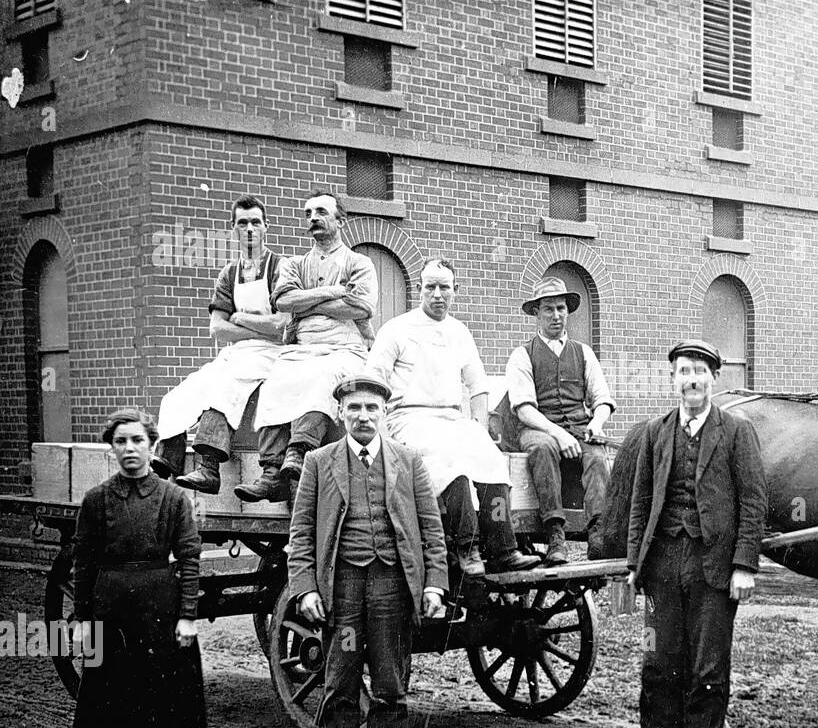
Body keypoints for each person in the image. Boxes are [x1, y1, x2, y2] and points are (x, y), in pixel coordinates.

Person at [287, 374, 449, 728]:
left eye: (371, 408)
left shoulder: (408, 461)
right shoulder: (319, 462)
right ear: (340, 412)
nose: (363, 416)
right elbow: (301, 533)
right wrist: (305, 588)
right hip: (343, 590)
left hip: (390, 587)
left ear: (384, 412)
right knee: (340, 680)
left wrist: (435, 583)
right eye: (354, 407)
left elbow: (431, 529)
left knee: (390, 680)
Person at [623, 340, 767, 728]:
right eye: (684, 371)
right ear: (673, 380)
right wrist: (634, 564)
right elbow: (641, 501)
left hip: (714, 566)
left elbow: (754, 502)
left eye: (700, 371)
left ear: (713, 379)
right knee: (657, 663)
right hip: (662, 564)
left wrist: (744, 565)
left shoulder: (737, 432)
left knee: (708, 665)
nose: (692, 380)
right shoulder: (656, 432)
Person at [70, 408, 205, 728]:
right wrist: (83, 619)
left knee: (164, 703)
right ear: (111, 448)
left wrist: (187, 616)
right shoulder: (96, 500)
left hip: (160, 610)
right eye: (121, 442)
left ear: (151, 445)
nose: (129, 449)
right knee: (117, 704)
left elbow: (189, 558)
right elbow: (82, 563)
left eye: (137, 441)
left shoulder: (173, 498)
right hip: (112, 613)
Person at [367, 259, 541, 576]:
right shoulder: (396, 329)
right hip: (409, 418)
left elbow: (478, 385)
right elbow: (374, 382)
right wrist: (381, 435)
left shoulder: (459, 332)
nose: (437, 294)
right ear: (419, 288)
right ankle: (468, 548)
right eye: (430, 287)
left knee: (490, 459)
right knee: (453, 464)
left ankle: (503, 549)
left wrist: (479, 428)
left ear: (455, 290)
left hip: (451, 418)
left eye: (444, 287)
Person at [236, 190, 376, 503]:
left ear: (341, 221)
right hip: (301, 346)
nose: (313, 218)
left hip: (344, 347)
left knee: (324, 376)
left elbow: (362, 306)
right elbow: (283, 301)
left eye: (321, 212)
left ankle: (299, 451)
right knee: (276, 381)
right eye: (308, 213)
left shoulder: (359, 263)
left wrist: (306, 303)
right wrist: (332, 292)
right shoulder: (294, 264)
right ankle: (271, 472)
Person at [152, 194, 287, 492]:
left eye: (255, 222)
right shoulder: (229, 274)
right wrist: (255, 328)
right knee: (180, 394)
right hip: (237, 352)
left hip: (272, 353)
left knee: (224, 387)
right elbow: (217, 329)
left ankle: (209, 469)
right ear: (233, 229)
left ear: (266, 226)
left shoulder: (280, 268)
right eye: (243, 223)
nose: (249, 229)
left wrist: (239, 319)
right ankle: (167, 464)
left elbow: (281, 326)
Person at [504, 277, 616, 565]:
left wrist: (596, 424)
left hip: (579, 426)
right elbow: (523, 409)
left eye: (561, 308)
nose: (556, 315)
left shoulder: (584, 353)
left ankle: (598, 535)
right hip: (537, 427)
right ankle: (555, 535)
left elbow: (602, 399)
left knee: (596, 454)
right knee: (543, 448)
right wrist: (559, 434)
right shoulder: (522, 355)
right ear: (536, 313)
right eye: (548, 309)